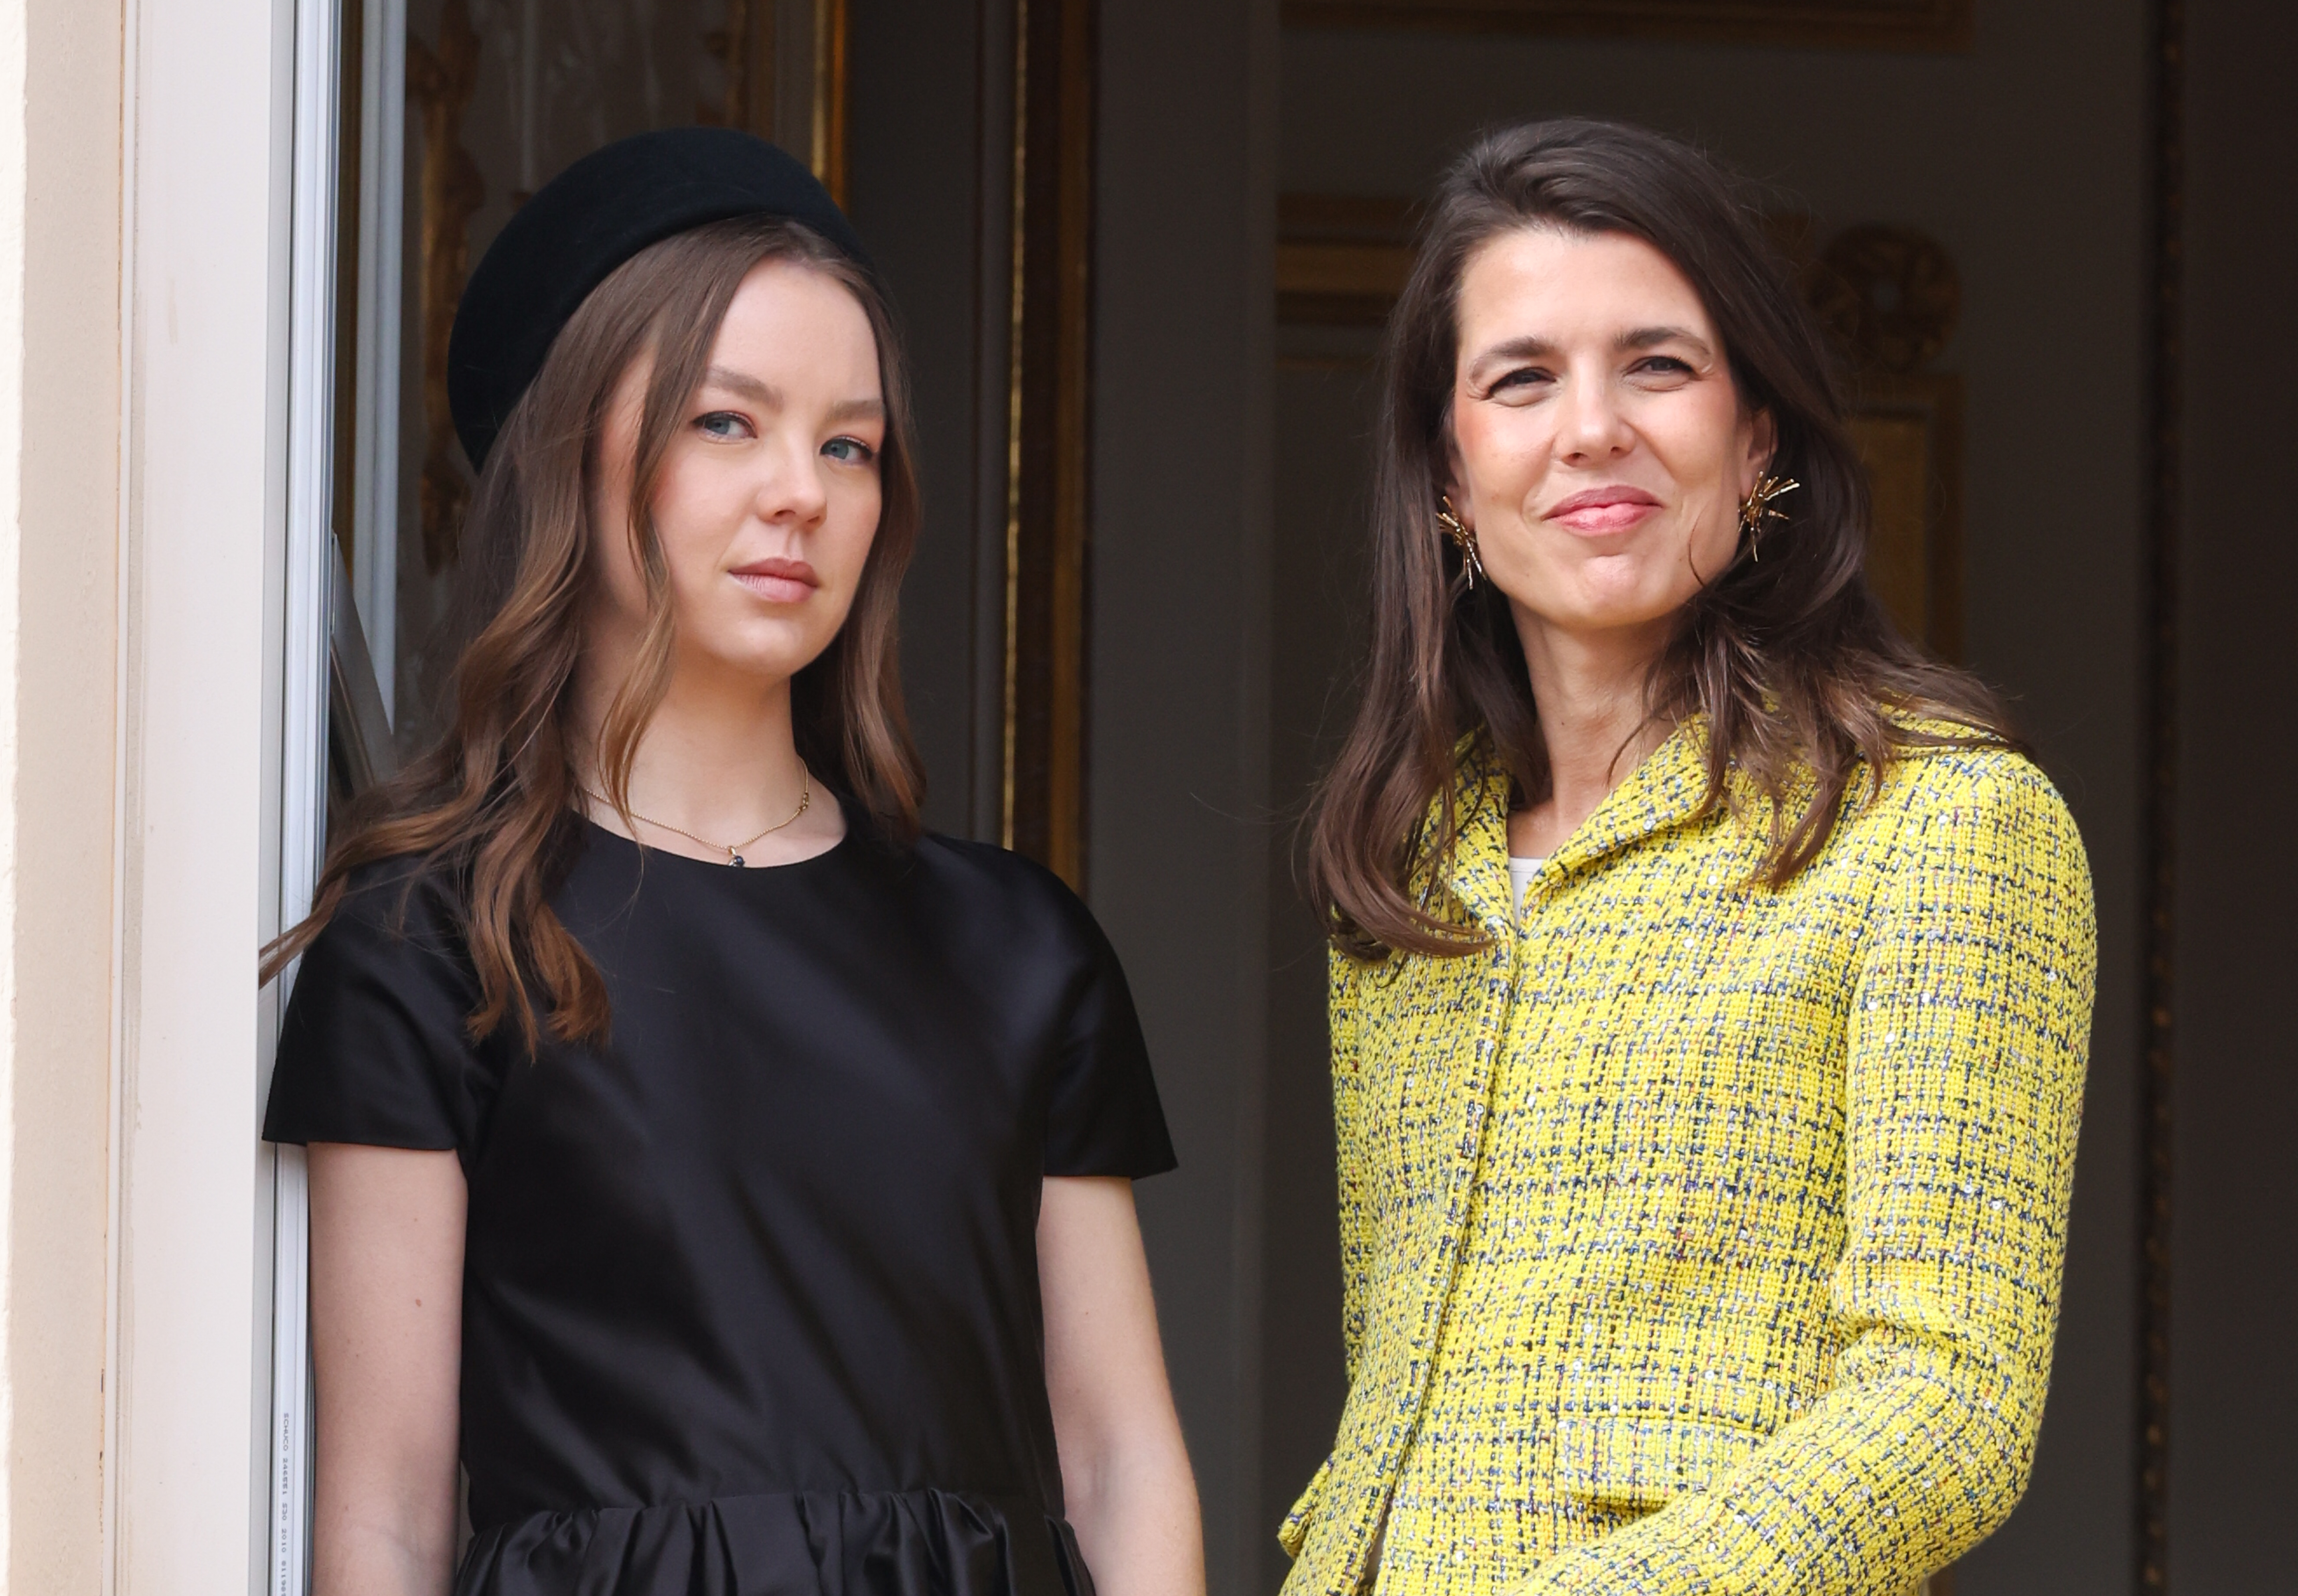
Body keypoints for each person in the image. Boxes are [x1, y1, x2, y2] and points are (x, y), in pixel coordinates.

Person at [262, 128, 1202, 1596]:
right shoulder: (433, 938)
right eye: (726, 423)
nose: (801, 494)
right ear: (573, 452)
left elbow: (1120, 1459)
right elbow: (383, 1515)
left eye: (850, 444)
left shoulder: (1019, 946)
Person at [1283, 119, 2096, 1596]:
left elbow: (1949, 1404)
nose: (1592, 427)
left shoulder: (1943, 822)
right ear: (1452, 481)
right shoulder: (1409, 871)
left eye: (1658, 364)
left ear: (1758, 437)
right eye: (1522, 379)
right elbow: (1402, 1405)